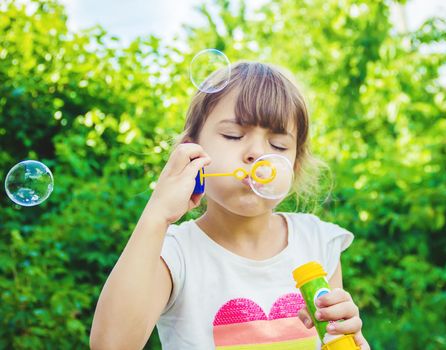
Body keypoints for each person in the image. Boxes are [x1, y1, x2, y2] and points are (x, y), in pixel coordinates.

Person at [90, 61, 369, 350]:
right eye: (233, 136)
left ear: (295, 165)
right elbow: (110, 345)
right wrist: (157, 214)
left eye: (278, 145)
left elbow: (335, 340)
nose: (257, 153)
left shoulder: (317, 242)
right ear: (191, 151)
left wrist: (354, 342)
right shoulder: (174, 254)